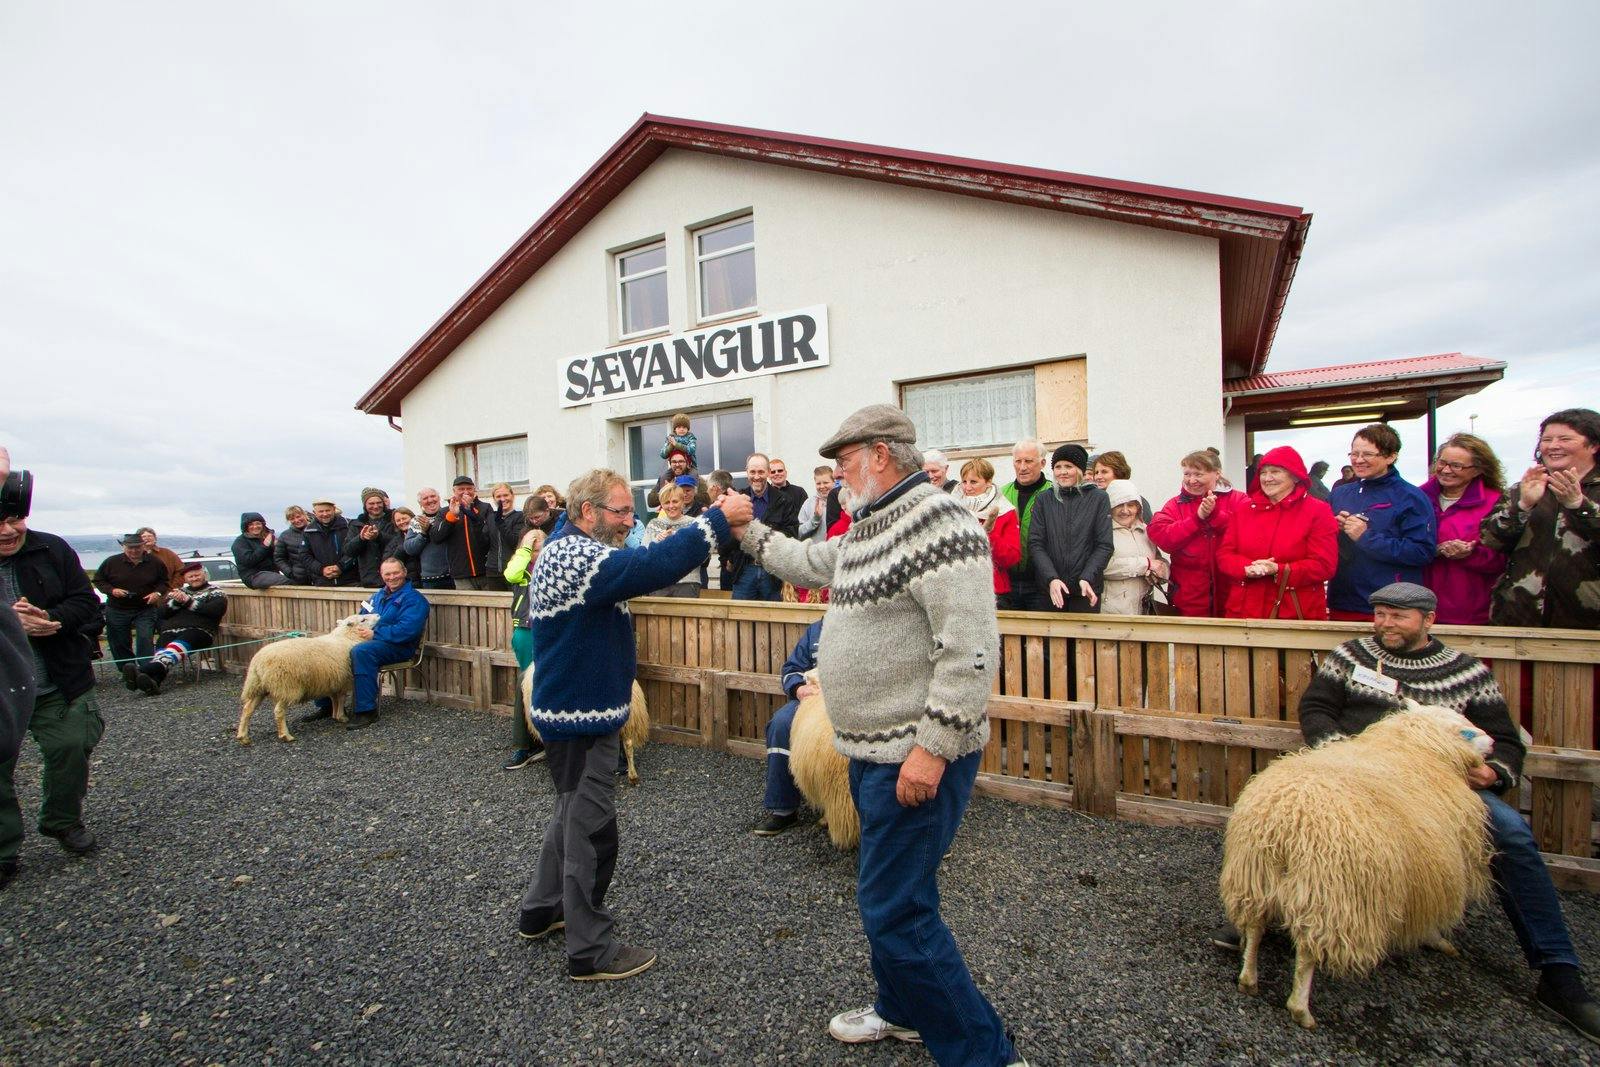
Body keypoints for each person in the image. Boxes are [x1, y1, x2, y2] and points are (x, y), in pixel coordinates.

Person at [725, 404, 1021, 1065]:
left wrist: (933, 747)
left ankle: (985, 1054)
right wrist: (746, 528)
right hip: (869, 750)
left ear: (879, 456)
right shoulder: (867, 524)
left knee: (896, 909)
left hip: (911, 757)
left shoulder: (941, 521)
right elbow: (808, 560)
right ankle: (902, 1009)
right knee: (898, 893)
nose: (835, 475)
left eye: (843, 462)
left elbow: (970, 648)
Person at [1292, 583, 1599, 1043]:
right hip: (1353, 771)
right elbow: (1316, 707)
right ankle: (1252, 914)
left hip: (1437, 784)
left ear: (1428, 619)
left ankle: (1559, 975)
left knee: (1512, 833)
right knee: (1288, 813)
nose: (1385, 624)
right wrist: (1335, 748)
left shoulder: (1466, 672)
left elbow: (1507, 740)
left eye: (1398, 616)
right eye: (1379, 614)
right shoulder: (1350, 655)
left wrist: (1495, 774)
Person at [517, 468, 745, 982]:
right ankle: (589, 950)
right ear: (587, 512)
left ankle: (541, 909)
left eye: (628, 511)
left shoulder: (570, 547)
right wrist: (715, 520)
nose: (628, 521)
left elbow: (639, 561)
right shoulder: (574, 554)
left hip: (577, 712)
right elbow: (650, 565)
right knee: (591, 833)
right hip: (579, 719)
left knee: (570, 817)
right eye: (619, 511)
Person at [1, 493, 105, 884]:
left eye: (15, 518)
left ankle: (62, 819)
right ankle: (3, 849)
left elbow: (86, 603)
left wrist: (52, 617)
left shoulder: (52, 548)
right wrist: (7, 625)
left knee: (72, 745)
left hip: (55, 677)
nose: (10, 530)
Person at [1480, 407, 1600, 629]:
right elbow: (1490, 539)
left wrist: (1579, 506)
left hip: (1587, 621)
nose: (1553, 446)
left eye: (1565, 439)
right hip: (1518, 614)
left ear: (1593, 445)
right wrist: (1523, 505)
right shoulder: (1522, 488)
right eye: (1547, 439)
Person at [1327, 424, 1437, 622]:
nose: (1359, 460)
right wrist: (1332, 530)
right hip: (1343, 601)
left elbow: (1422, 552)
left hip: (1390, 606)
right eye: (1354, 453)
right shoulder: (1339, 494)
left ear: (1390, 456)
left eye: (1368, 454)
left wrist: (1366, 537)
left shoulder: (1411, 497)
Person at [303, 557, 429, 730]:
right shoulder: (376, 597)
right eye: (387, 574)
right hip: (371, 641)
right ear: (381, 575)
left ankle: (366, 710)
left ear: (404, 573)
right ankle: (327, 705)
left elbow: (408, 630)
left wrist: (375, 634)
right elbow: (361, 616)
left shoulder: (414, 600)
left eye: (396, 573)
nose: (392, 577)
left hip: (399, 647)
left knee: (362, 652)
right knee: (330, 650)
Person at [1216, 445, 1337, 620]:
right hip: (1244, 612)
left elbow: (1324, 565)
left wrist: (1278, 570)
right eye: (1263, 472)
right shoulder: (1243, 510)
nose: (1267, 478)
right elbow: (1225, 555)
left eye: (1275, 472)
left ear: (1295, 476)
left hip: (1294, 614)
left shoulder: (1318, 511)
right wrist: (1247, 568)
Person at [1420, 433, 1507, 626]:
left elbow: (1504, 556)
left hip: (1469, 608)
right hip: (1419, 605)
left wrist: (1470, 554)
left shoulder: (1495, 503)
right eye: (1442, 463)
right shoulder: (1417, 498)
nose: (1446, 470)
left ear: (1477, 470)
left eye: (1456, 466)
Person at [750, 618, 823, 835]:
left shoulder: (864, 623)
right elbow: (792, 668)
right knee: (781, 724)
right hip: (812, 700)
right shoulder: (815, 631)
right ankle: (783, 809)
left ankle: (844, 811)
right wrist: (800, 689)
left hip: (847, 703)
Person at [1148, 448, 1242, 618]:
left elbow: (1248, 532)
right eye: (1187, 474)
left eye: (1198, 474)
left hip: (1231, 594)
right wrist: (1196, 519)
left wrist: (1215, 516)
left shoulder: (1238, 500)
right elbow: (1161, 536)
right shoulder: (1175, 505)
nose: (1191, 480)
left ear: (1217, 474)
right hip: (1189, 597)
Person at [1027, 444, 1113, 614]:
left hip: (1085, 590)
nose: (1062, 472)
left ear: (1080, 470)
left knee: (1083, 640)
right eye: (1058, 467)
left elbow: (1104, 545)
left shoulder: (1098, 498)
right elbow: (1036, 543)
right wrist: (1051, 578)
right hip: (1052, 590)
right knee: (1052, 640)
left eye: (1069, 466)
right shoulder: (1044, 499)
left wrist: (1087, 578)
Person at [123, 560, 227, 695]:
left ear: (204, 575)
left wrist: (188, 601)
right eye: (191, 576)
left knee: (175, 646)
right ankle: (151, 682)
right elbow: (162, 614)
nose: (195, 578)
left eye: (198, 575)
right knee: (163, 646)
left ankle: (143, 670)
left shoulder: (216, 592)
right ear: (185, 579)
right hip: (171, 630)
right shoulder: (178, 592)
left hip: (200, 631)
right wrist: (175, 602)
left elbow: (215, 611)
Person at [501, 496, 550, 771]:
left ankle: (549, 739)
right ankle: (523, 744)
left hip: (552, 631)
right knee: (526, 683)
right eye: (533, 547)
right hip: (526, 631)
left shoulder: (553, 568)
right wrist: (525, 547)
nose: (537, 550)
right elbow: (511, 574)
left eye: (540, 544)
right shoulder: (521, 571)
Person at [727, 453, 798, 600]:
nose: (756, 476)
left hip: (772, 573)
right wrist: (727, 559)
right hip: (744, 570)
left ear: (768, 473)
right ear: (747, 472)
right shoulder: (737, 498)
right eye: (752, 472)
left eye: (761, 472)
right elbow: (727, 532)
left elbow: (791, 533)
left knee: (773, 620)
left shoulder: (784, 500)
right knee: (741, 618)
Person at [95, 532, 169, 663]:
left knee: (145, 638)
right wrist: (112, 590)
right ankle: (127, 669)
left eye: (137, 547)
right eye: (130, 548)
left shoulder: (155, 562)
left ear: (143, 546)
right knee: (118, 640)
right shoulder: (111, 562)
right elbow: (99, 580)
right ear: (123, 547)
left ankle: (146, 668)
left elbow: (164, 582)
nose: (134, 550)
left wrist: (157, 593)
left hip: (145, 608)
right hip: (117, 608)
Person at [1101, 481, 1168, 615]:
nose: (1125, 510)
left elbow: (1160, 561)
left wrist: (1162, 571)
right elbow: (1102, 567)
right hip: (1112, 614)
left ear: (1138, 507)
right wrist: (1145, 564)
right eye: (1119, 505)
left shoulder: (1146, 531)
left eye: (1131, 505)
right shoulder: (1102, 531)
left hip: (1143, 613)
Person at [999, 438, 1051, 610]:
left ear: (1042, 463)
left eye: (1028, 461)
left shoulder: (1053, 494)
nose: (1022, 467)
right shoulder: (1001, 493)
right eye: (1018, 461)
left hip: (1040, 584)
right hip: (1008, 583)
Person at [958, 458, 1021, 599]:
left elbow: (1012, 558)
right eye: (964, 481)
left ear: (988, 482)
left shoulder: (1004, 510)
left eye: (973, 482)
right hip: (959, 588)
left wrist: (988, 534)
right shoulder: (952, 508)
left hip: (993, 589)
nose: (967, 488)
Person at [430, 476, 495, 589]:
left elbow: (489, 535)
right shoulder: (444, 511)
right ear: (454, 491)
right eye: (461, 489)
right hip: (461, 574)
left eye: (469, 488)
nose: (466, 492)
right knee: (468, 607)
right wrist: (452, 516)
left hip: (486, 571)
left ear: (474, 490)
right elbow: (436, 537)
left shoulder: (485, 507)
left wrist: (470, 511)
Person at [640, 485, 702, 597]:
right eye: (667, 502)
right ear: (661, 505)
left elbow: (701, 555)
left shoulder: (695, 523)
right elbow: (643, 555)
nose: (671, 506)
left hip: (687, 582)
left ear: (683, 502)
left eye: (675, 501)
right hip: (659, 583)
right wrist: (657, 541)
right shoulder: (654, 524)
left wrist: (678, 539)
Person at [348, 488, 401, 589]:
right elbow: (349, 551)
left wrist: (378, 536)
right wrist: (361, 538)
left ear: (383, 503)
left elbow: (400, 542)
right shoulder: (356, 524)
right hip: (369, 580)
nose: (376, 506)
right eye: (371, 503)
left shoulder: (395, 519)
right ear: (365, 505)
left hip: (394, 578)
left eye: (378, 502)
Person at [303, 498, 356, 587]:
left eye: (328, 510)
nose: (325, 514)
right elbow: (305, 555)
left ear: (334, 510)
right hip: (322, 582)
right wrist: (321, 569)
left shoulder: (349, 526)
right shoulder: (308, 531)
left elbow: (356, 550)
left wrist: (340, 567)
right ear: (314, 512)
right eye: (321, 511)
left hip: (351, 581)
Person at [482, 482, 524, 593]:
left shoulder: (520, 517)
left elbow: (514, 541)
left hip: (513, 570)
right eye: (499, 496)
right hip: (493, 571)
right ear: (493, 499)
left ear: (512, 496)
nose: (503, 499)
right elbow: (484, 544)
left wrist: (500, 523)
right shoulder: (490, 518)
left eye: (506, 495)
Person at [408, 488, 453, 590]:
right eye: (425, 498)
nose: (430, 500)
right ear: (420, 503)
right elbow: (410, 549)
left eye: (433, 496)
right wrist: (423, 534)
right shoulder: (416, 521)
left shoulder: (450, 514)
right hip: (431, 578)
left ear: (439, 498)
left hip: (455, 574)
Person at [1089, 451, 1152, 521]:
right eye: (1096, 472)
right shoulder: (1095, 501)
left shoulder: (1135, 501)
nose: (1098, 477)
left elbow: (1147, 529)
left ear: (1118, 473)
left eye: (1104, 472)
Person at [232, 512, 287, 589]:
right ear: (246, 527)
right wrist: (265, 546)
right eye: (251, 524)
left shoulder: (268, 537)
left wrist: (278, 547)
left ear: (262, 525)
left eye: (258, 523)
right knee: (288, 581)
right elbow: (249, 561)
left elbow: (279, 559)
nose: (255, 526)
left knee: (298, 578)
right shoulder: (240, 542)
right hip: (253, 576)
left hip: (272, 574)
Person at [273, 506, 317, 584]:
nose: (296, 520)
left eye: (298, 516)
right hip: (299, 579)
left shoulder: (317, 530)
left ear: (304, 515)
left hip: (320, 576)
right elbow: (279, 558)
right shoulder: (285, 536)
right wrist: (290, 573)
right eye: (292, 519)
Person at [388, 506, 421, 584]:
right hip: (408, 581)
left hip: (424, 578)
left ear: (412, 518)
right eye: (398, 520)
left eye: (404, 518)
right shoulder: (394, 541)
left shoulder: (423, 533)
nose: (402, 522)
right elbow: (389, 560)